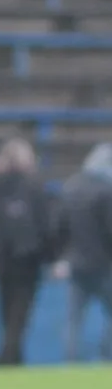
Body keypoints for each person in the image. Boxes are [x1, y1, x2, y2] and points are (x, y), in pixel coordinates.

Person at [0, 137, 52, 365]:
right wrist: (49, 255)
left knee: (8, 309)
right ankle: (10, 355)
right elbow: (44, 222)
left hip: (4, 257)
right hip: (27, 259)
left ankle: (11, 355)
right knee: (19, 311)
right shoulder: (34, 185)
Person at [53, 142, 112, 361]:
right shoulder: (107, 191)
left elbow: (58, 228)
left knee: (73, 319)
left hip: (76, 264)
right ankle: (107, 357)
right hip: (103, 265)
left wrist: (61, 258)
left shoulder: (70, 187)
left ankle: (70, 361)